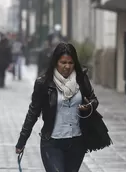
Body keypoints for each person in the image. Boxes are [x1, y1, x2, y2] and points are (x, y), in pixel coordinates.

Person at [15, 43, 99, 172]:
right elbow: (33, 113)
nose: (67, 66)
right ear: (55, 62)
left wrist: (89, 105)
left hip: (76, 142)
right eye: (63, 62)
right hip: (52, 142)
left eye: (70, 63)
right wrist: (22, 141)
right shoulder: (43, 83)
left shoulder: (81, 79)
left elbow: (93, 99)